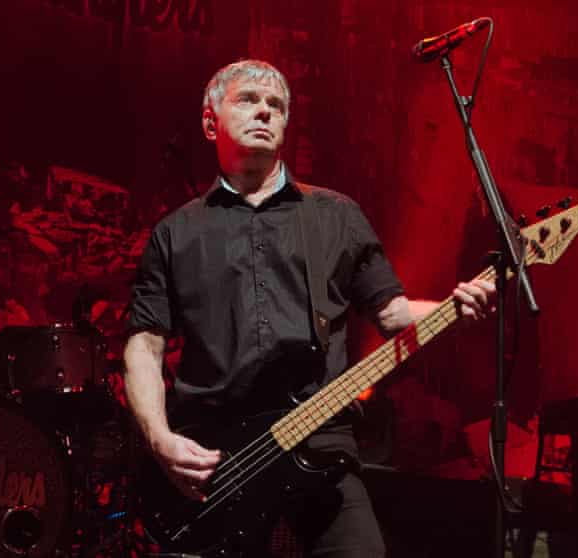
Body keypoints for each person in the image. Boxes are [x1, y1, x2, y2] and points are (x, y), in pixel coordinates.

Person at [123, 59, 496, 557]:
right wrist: (160, 440)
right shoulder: (175, 233)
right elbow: (144, 346)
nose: (264, 112)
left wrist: (455, 306)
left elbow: (394, 315)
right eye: (248, 101)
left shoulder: (335, 216)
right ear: (211, 122)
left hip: (320, 441)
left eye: (276, 106)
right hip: (214, 460)